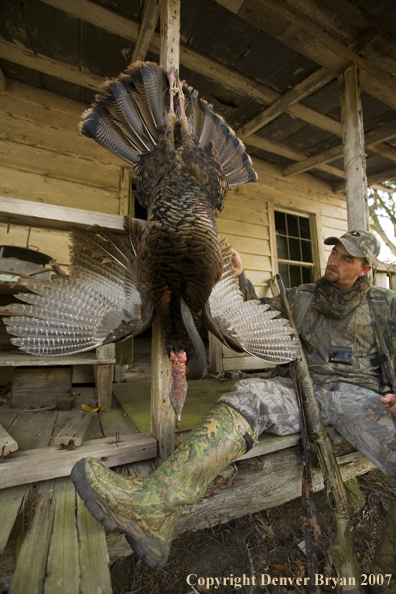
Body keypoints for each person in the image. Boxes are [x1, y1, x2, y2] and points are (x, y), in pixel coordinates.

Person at [71, 229, 396, 584]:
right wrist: (238, 276)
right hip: (302, 388)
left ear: (365, 269)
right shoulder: (302, 297)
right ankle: (155, 503)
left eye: (346, 259)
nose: (334, 261)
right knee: (250, 393)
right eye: (334, 253)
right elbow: (256, 313)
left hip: (361, 396)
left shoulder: (385, 305)